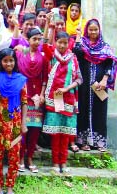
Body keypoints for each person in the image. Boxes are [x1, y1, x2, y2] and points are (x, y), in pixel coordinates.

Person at [73, 19, 117, 152]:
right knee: (83, 110)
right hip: (84, 86)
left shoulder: (105, 47)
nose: (93, 32)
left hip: (100, 86)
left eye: (95, 29)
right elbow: (76, 53)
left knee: (100, 111)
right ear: (87, 30)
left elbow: (110, 64)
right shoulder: (82, 44)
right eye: (90, 29)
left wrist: (105, 80)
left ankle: (99, 142)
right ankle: (83, 141)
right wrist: (78, 35)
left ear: (99, 30)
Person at [42, 31, 83, 175]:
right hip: (54, 99)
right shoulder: (51, 56)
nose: (62, 45)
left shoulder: (73, 59)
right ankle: (55, 163)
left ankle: (63, 163)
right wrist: (49, 25)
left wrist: (67, 88)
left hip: (68, 99)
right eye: (59, 42)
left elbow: (79, 79)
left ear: (69, 44)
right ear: (56, 42)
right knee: (56, 133)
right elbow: (44, 44)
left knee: (65, 133)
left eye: (65, 43)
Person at [0, 47, 27, 194]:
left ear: (15, 61)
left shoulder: (21, 79)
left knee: (14, 156)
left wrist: (23, 123)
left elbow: (24, 102)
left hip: (15, 123)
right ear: (1, 62)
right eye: (5, 61)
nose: (8, 63)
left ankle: (10, 187)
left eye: (11, 60)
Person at [16, 28, 48, 173]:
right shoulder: (20, 53)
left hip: (36, 98)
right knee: (22, 130)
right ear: (28, 40)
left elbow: (45, 79)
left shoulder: (43, 57)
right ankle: (20, 158)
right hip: (22, 96)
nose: (36, 42)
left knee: (34, 130)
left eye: (38, 39)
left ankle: (30, 158)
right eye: (34, 39)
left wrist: (42, 95)